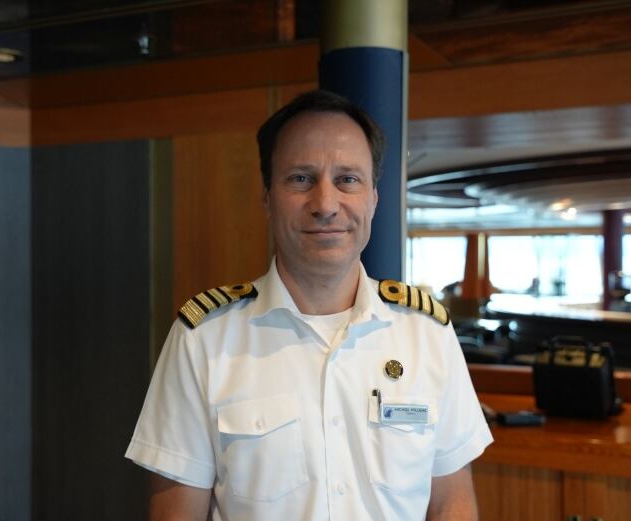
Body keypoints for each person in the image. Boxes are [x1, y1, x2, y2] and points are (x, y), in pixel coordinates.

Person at [125, 90, 492, 520]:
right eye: (300, 178)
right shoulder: (203, 340)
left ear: (374, 198)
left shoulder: (427, 334)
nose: (325, 204)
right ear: (266, 197)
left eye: (347, 179)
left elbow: (452, 501)